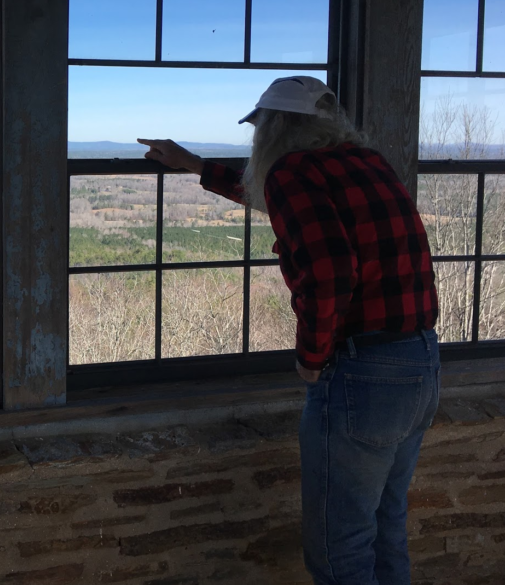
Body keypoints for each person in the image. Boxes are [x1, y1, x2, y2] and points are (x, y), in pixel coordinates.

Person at [139, 76, 440, 585]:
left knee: (338, 547)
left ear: (271, 128)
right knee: (386, 526)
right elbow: (277, 200)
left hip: (362, 372)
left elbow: (328, 272)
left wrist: (312, 358)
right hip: (421, 361)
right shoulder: (366, 163)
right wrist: (193, 163)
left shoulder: (292, 172)